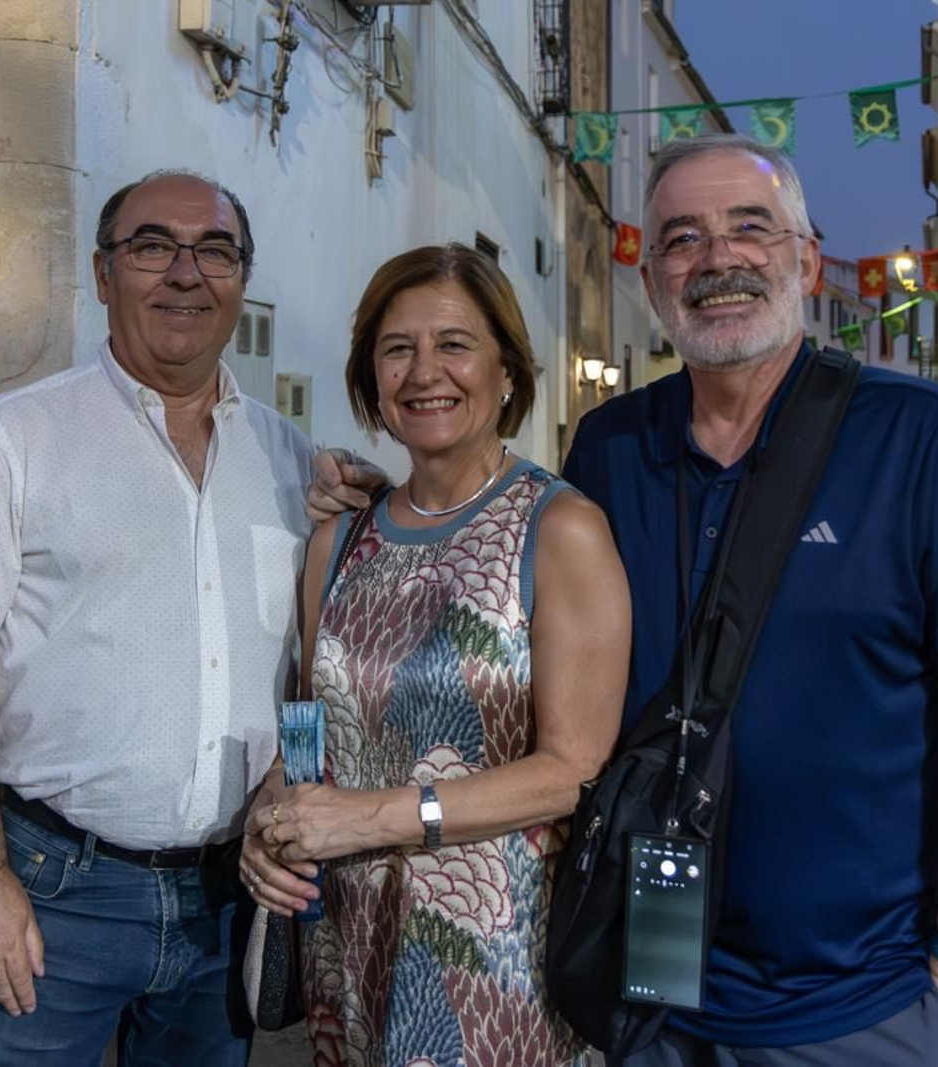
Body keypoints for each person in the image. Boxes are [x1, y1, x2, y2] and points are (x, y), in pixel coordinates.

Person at [308, 134, 938, 1065]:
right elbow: (486, 553)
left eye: (751, 228)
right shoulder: (610, 449)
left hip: (867, 1001)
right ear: (652, 280)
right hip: (650, 990)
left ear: (809, 259)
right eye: (682, 238)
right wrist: (376, 504)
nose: (718, 259)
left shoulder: (921, 438)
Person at [0, 170, 315, 1065]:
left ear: (243, 278)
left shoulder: (289, 458)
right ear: (102, 272)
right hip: (56, 895)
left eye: (216, 251)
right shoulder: (17, 438)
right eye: (154, 246)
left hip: (226, 900)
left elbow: (307, 658)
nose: (186, 274)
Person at [240, 244, 631, 1065]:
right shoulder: (338, 537)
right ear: (372, 379)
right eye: (397, 348)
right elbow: (309, 729)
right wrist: (270, 816)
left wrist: (373, 815)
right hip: (348, 945)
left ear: (507, 371)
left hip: (492, 962)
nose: (425, 371)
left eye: (454, 343)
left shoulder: (560, 530)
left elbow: (574, 770)